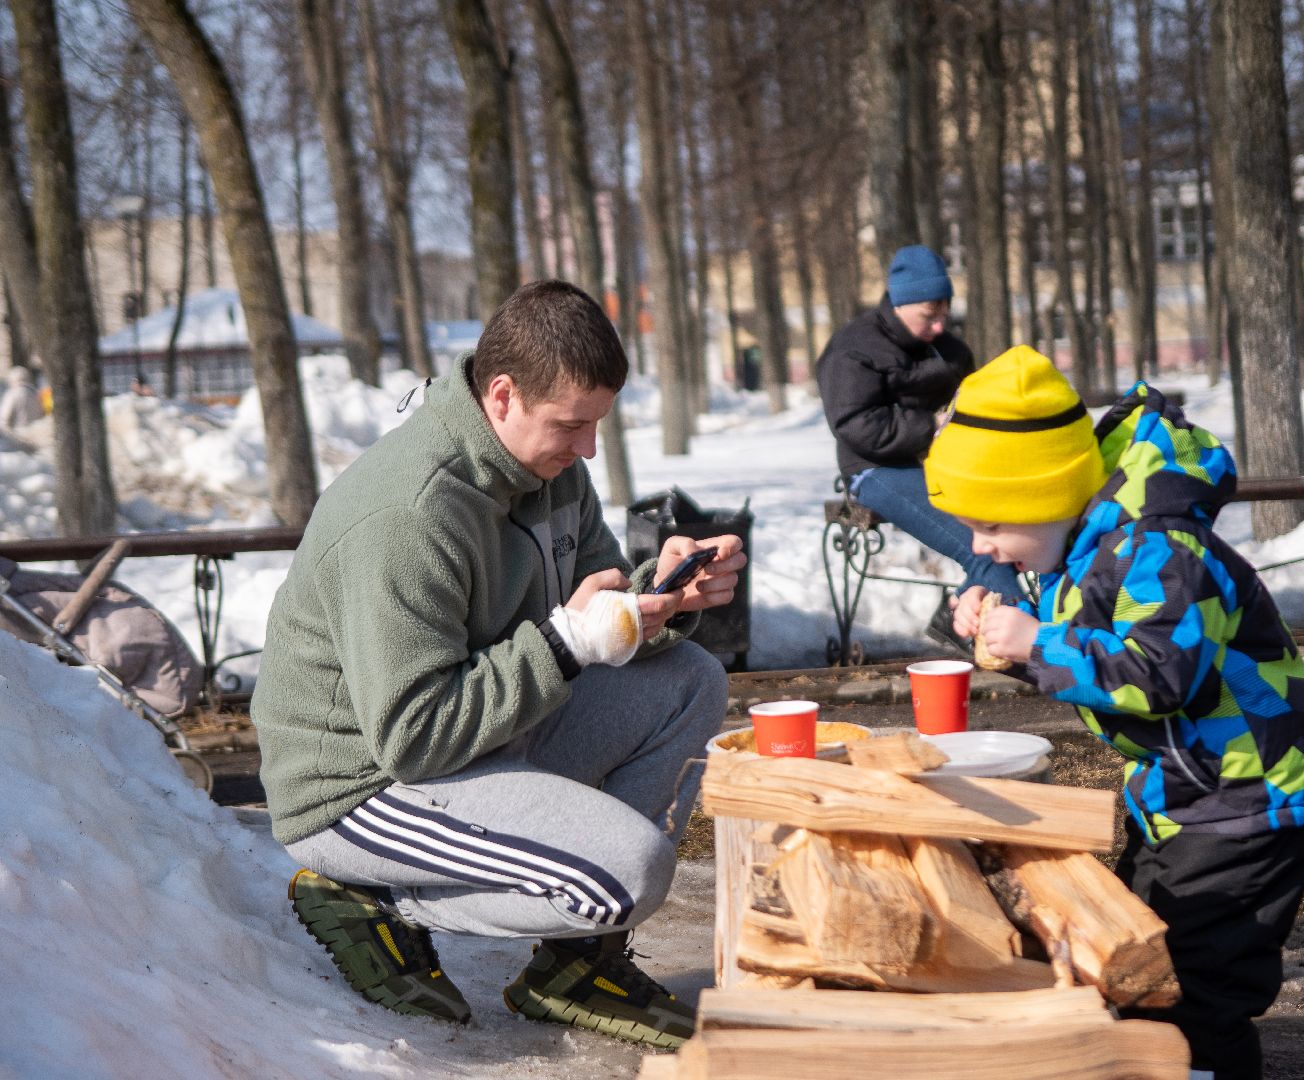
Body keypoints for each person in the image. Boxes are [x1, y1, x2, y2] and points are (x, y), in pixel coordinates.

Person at [252, 280, 745, 1049]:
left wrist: (662, 599)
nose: (586, 449)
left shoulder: (550, 470)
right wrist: (568, 641)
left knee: (690, 682)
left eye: (596, 425)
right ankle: (368, 896)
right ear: (503, 395)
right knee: (627, 873)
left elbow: (592, 612)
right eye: (571, 426)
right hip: (363, 787)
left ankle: (576, 969)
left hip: (480, 735)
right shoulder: (409, 515)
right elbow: (413, 739)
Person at [928, 346, 1304, 1080]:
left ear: (1042, 496)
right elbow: (1099, 640)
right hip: (1182, 800)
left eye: (989, 524)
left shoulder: (1161, 547)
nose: (979, 545)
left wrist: (1038, 644)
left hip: (1247, 803)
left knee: (1192, 987)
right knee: (1134, 955)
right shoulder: (1090, 545)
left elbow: (1159, 676)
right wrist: (1015, 632)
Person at [815, 243, 1019, 652]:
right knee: (984, 548)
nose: (940, 327)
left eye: (945, 315)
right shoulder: (853, 347)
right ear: (900, 303)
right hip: (876, 471)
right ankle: (1018, 646)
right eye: (930, 316)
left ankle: (963, 621)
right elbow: (855, 424)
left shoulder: (949, 349)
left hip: (949, 467)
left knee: (1015, 532)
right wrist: (932, 426)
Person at [0, 366, 44, 432]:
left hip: (18, 435)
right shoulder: (36, 394)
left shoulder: (12, 394)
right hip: (36, 434)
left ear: (12, 380)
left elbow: (4, 418)